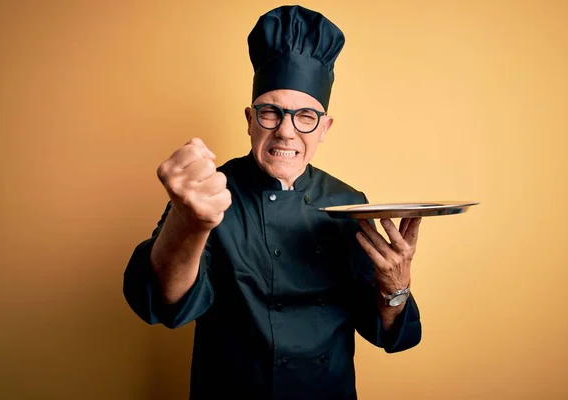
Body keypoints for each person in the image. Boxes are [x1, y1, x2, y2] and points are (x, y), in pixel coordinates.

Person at [123, 5, 422, 399]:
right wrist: (189, 222)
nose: (286, 132)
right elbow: (164, 304)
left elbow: (386, 332)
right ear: (249, 119)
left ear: (325, 127)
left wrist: (395, 285)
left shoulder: (350, 204)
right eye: (270, 113)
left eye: (305, 117)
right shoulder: (208, 192)